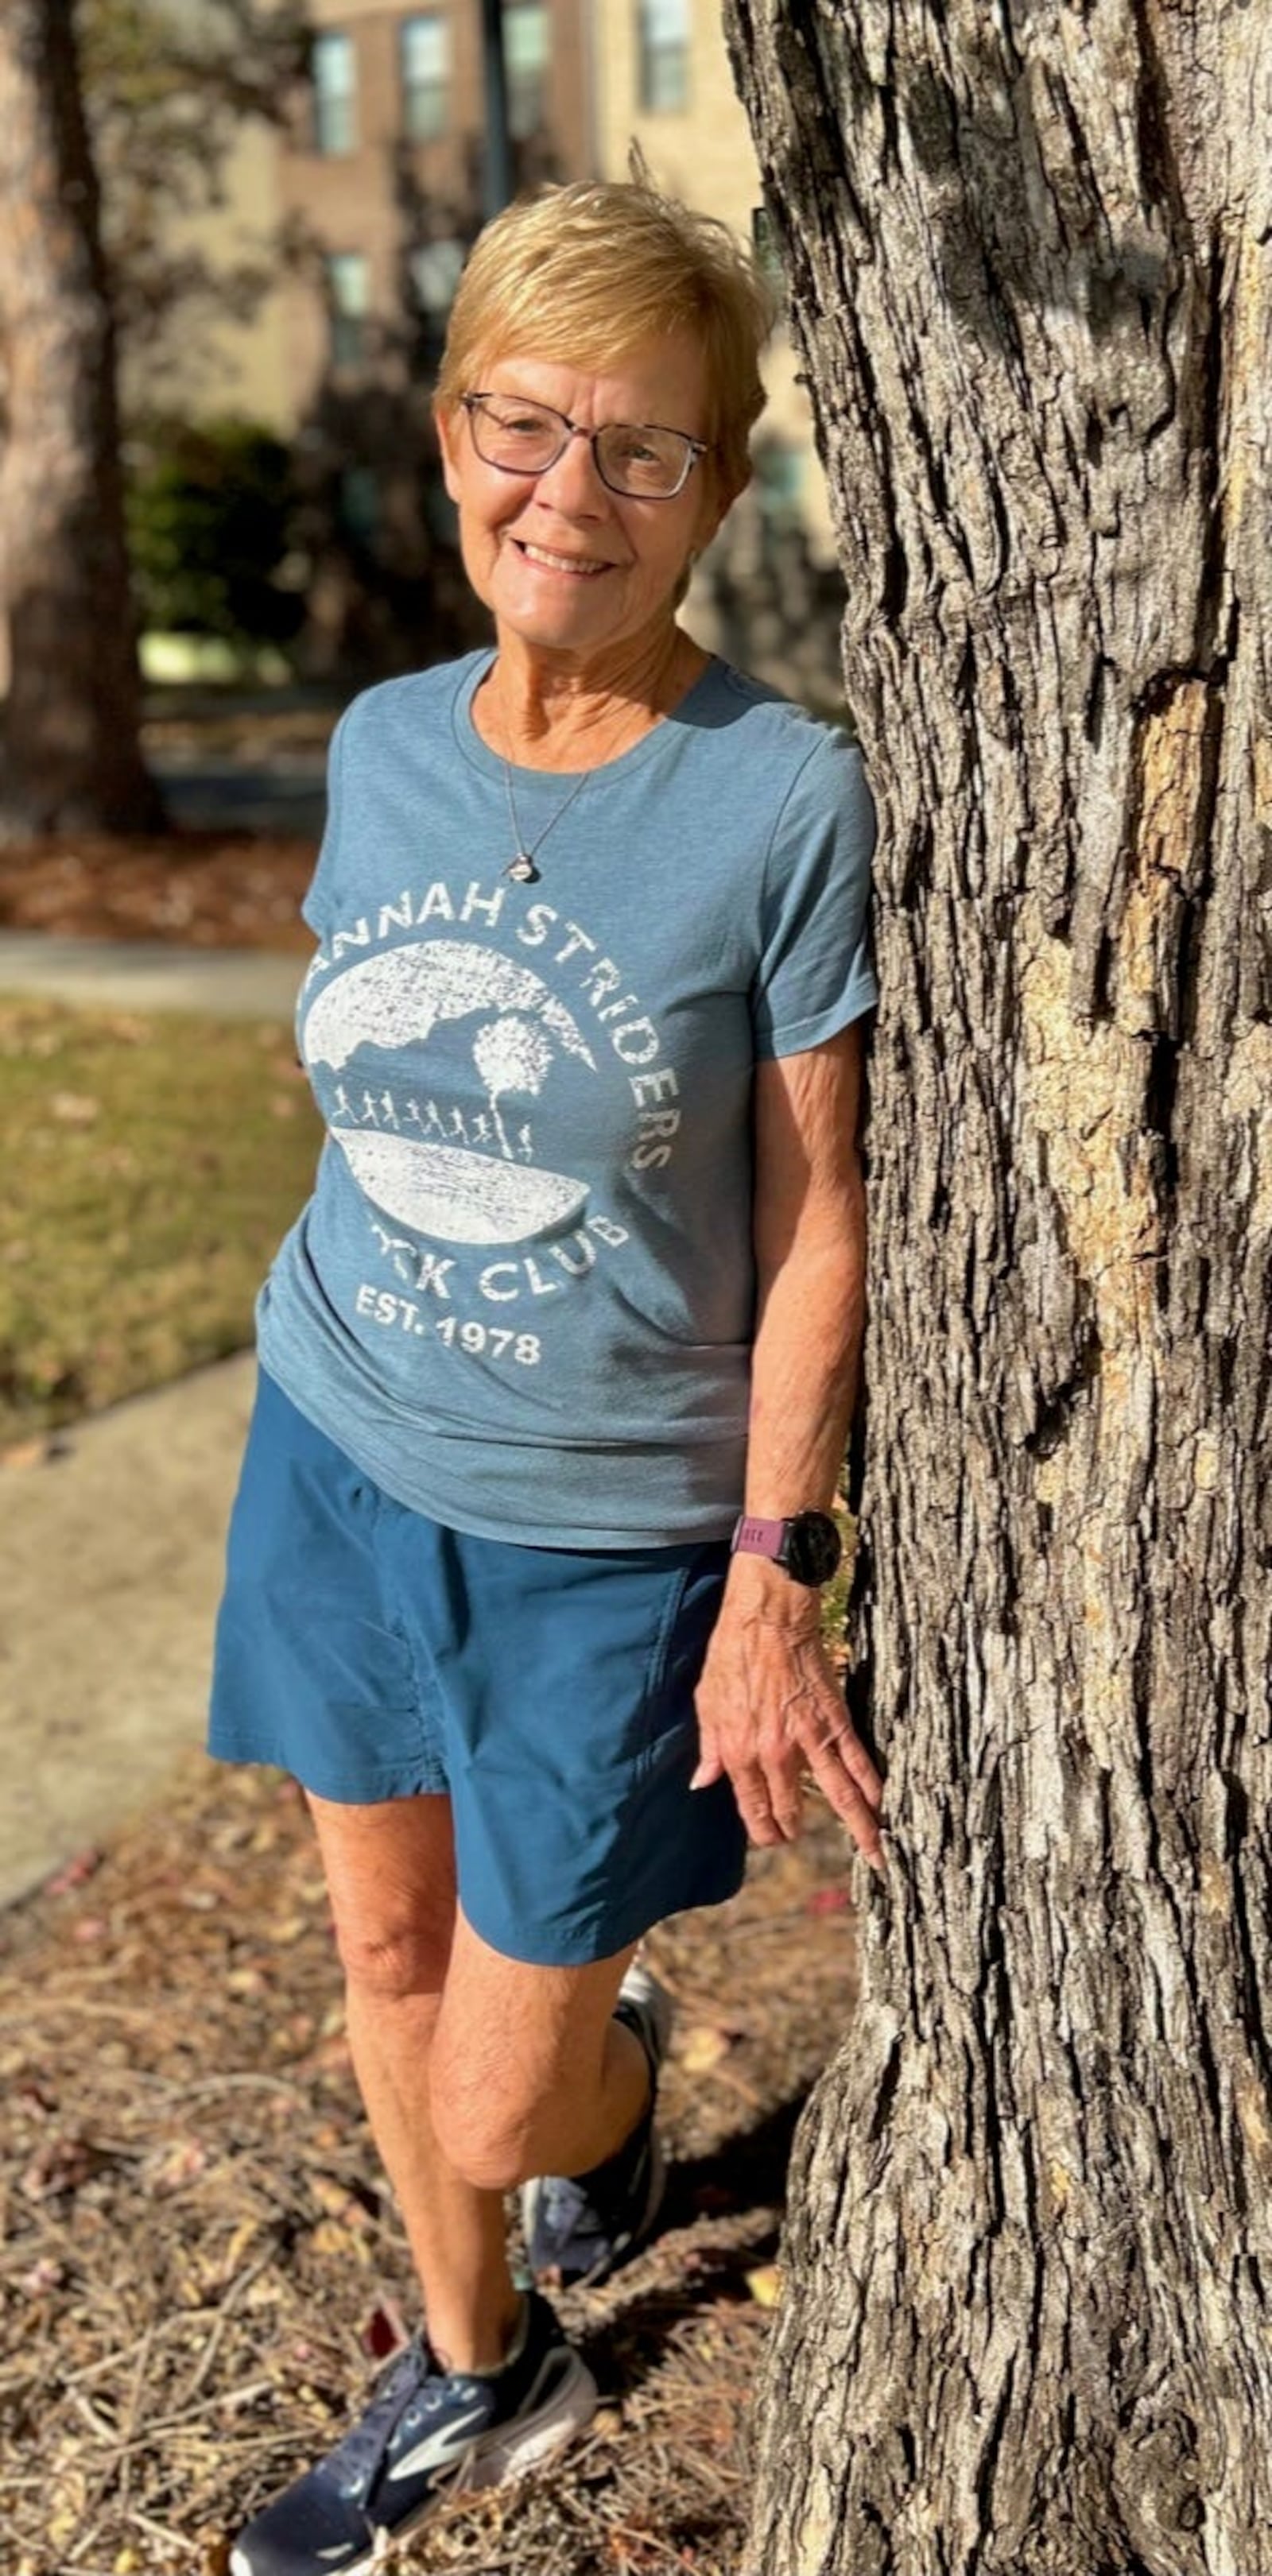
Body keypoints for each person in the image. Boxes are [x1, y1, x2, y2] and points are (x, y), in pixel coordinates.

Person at [209, 170, 883, 2576]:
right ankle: (477, 2369)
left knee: (498, 2087)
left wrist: (773, 1564)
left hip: (603, 1526)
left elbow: (821, 1220)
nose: (568, 492)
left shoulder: (781, 797)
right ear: (452, 421)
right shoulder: (386, 745)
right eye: (525, 423)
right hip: (340, 1441)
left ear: (721, 482)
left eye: (643, 447)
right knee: (379, 1947)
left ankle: (601, 2112)